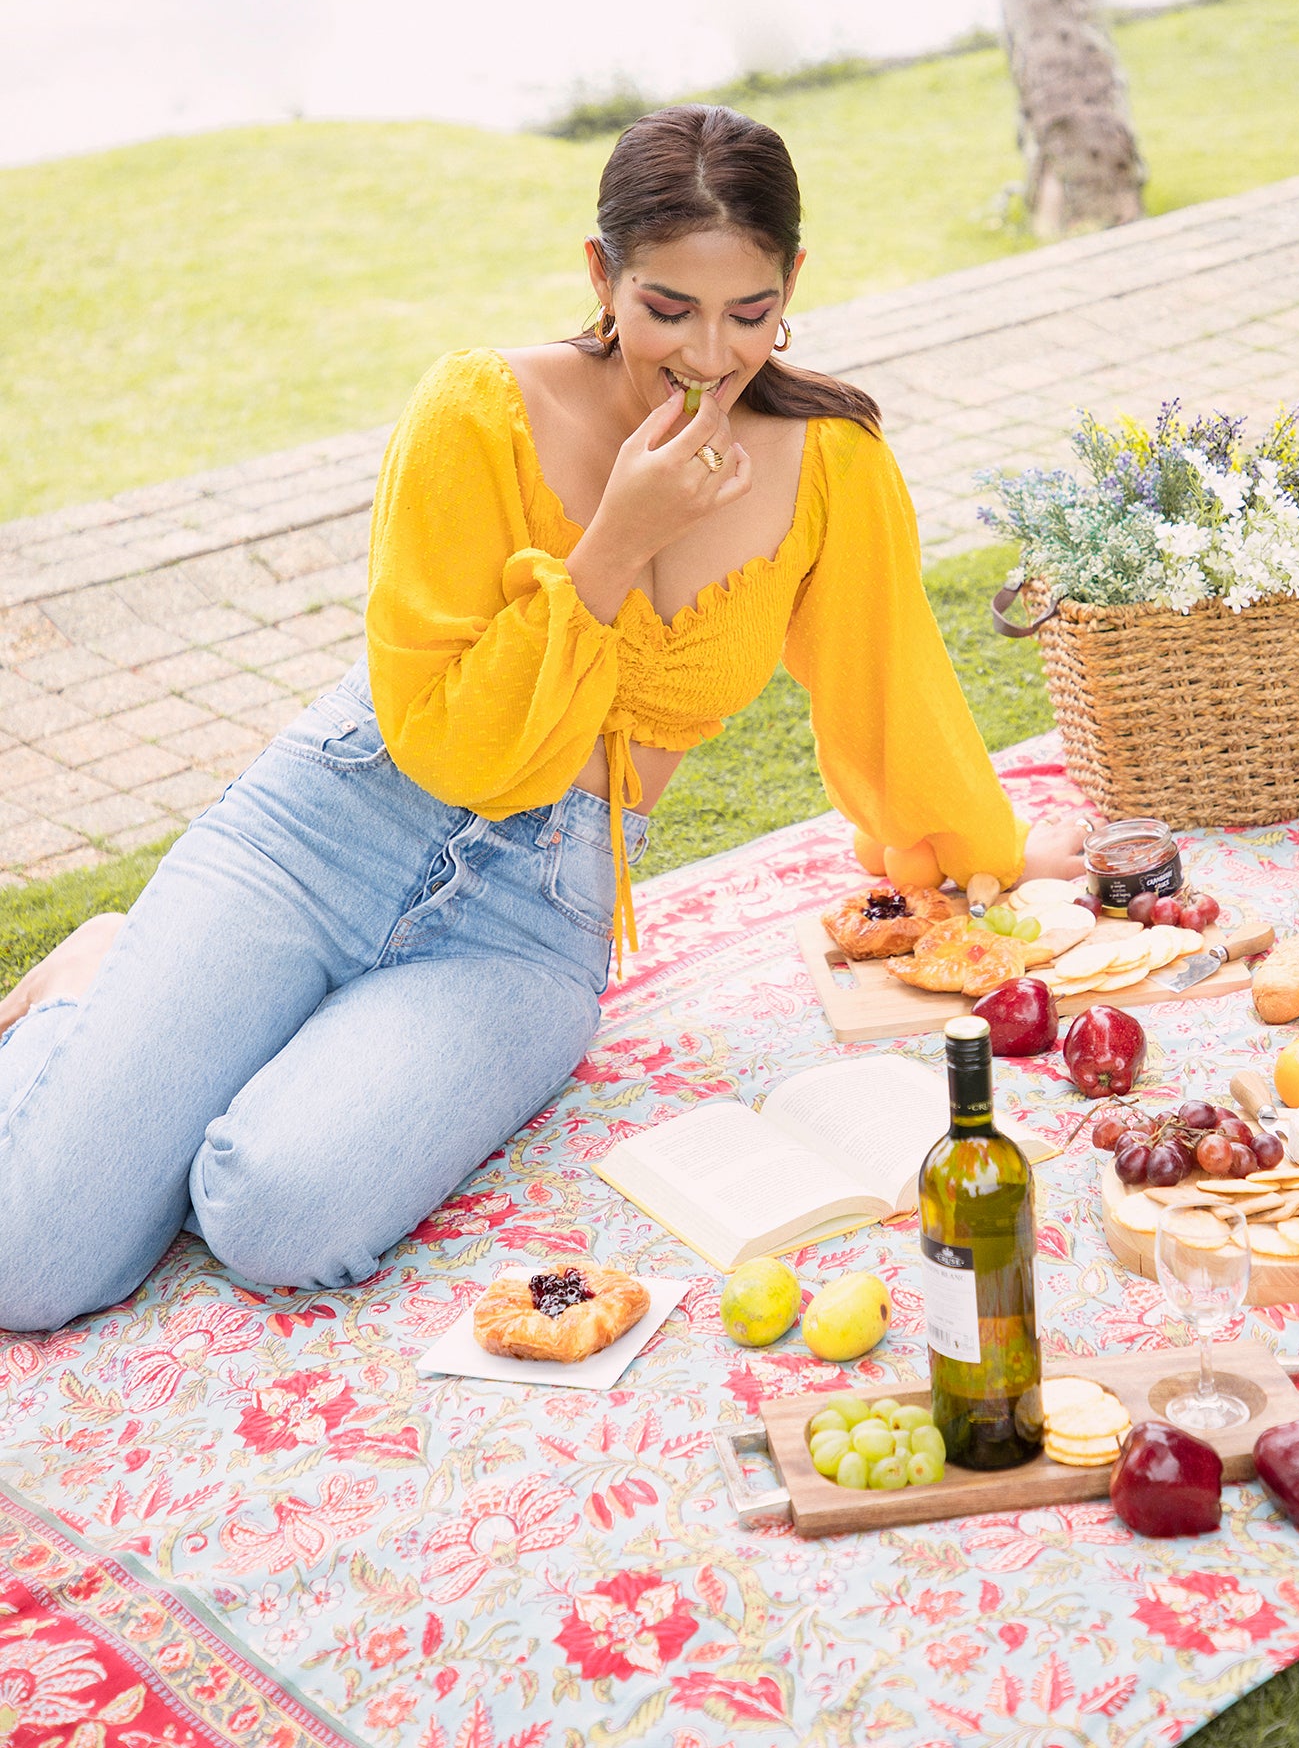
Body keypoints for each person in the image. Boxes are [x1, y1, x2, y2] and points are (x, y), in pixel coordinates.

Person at [0, 105, 1088, 1336]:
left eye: (748, 311)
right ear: (601, 276)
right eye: (668, 306)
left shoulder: (829, 460)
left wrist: (987, 850)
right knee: (33, 1261)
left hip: (534, 914)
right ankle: (98, 982)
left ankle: (207, 1059)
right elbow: (449, 743)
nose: (709, 354)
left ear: (793, 285)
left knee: (272, 1215)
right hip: (330, 828)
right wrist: (615, 542)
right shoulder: (476, 412)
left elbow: (890, 685)